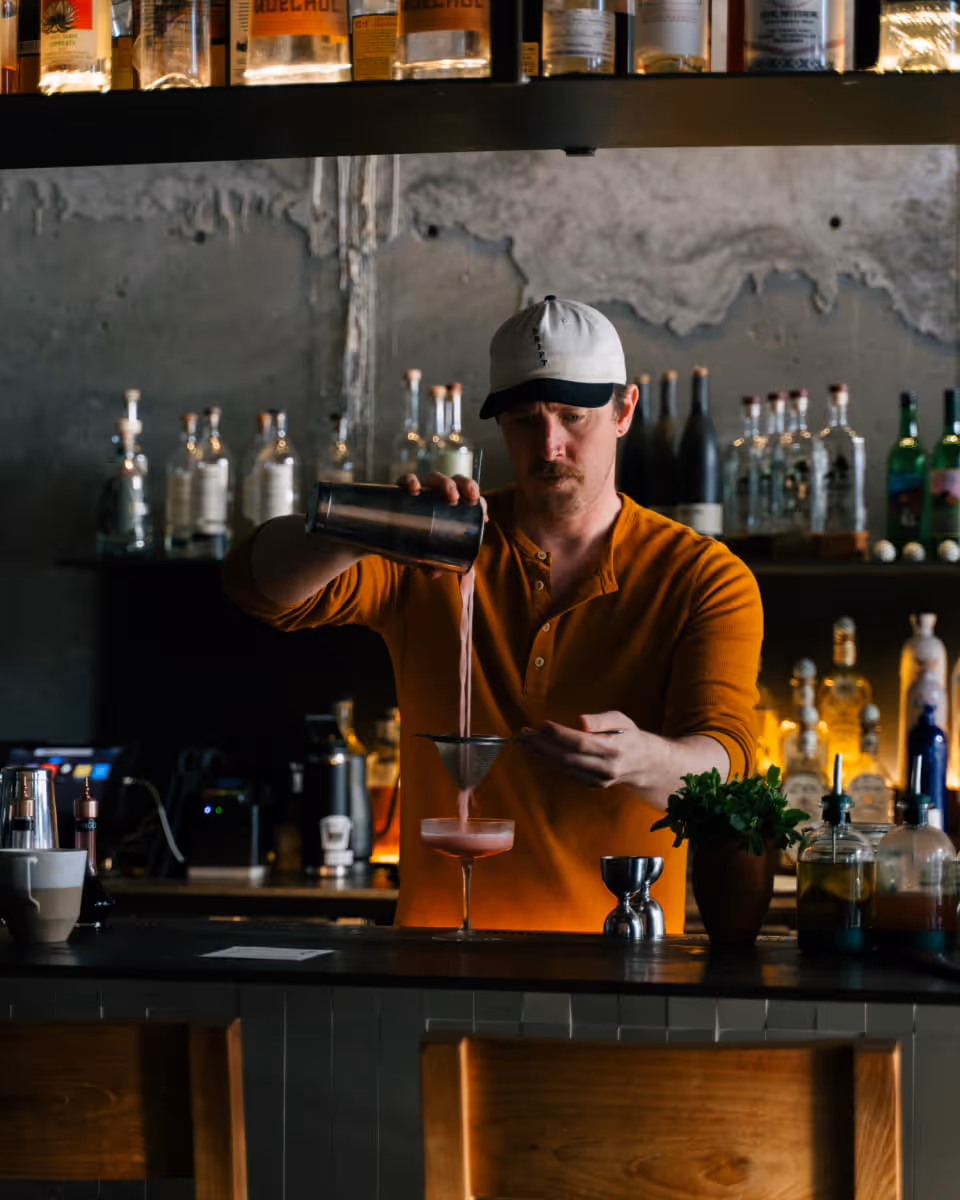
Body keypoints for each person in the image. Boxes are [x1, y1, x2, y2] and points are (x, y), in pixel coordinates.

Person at [223, 296, 763, 933]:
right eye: (524, 420)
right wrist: (371, 524)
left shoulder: (701, 575)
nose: (549, 444)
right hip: (437, 965)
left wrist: (638, 758)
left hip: (621, 970)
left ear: (623, 411)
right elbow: (255, 587)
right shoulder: (438, 546)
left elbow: (725, 767)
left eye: (572, 415)